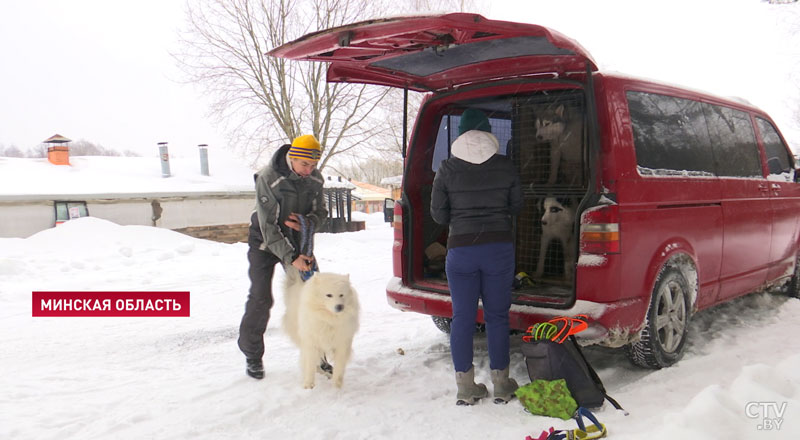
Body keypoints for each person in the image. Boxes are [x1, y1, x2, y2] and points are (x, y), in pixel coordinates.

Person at [430, 108, 523, 405]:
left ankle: (466, 388)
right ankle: (502, 384)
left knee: (462, 318)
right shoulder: (506, 166)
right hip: (498, 249)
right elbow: (517, 206)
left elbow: (438, 214)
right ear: (488, 132)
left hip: (460, 250)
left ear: (460, 135)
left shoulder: (446, 168)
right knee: (497, 316)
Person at [238, 134, 328, 379]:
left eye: (313, 165)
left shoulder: (315, 179)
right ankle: (252, 356)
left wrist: (309, 222)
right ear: (293, 158)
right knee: (261, 298)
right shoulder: (269, 177)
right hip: (264, 243)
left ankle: (318, 354)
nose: (309, 170)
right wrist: (291, 258)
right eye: (304, 165)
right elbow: (268, 227)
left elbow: (321, 212)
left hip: (298, 241)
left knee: (313, 297)